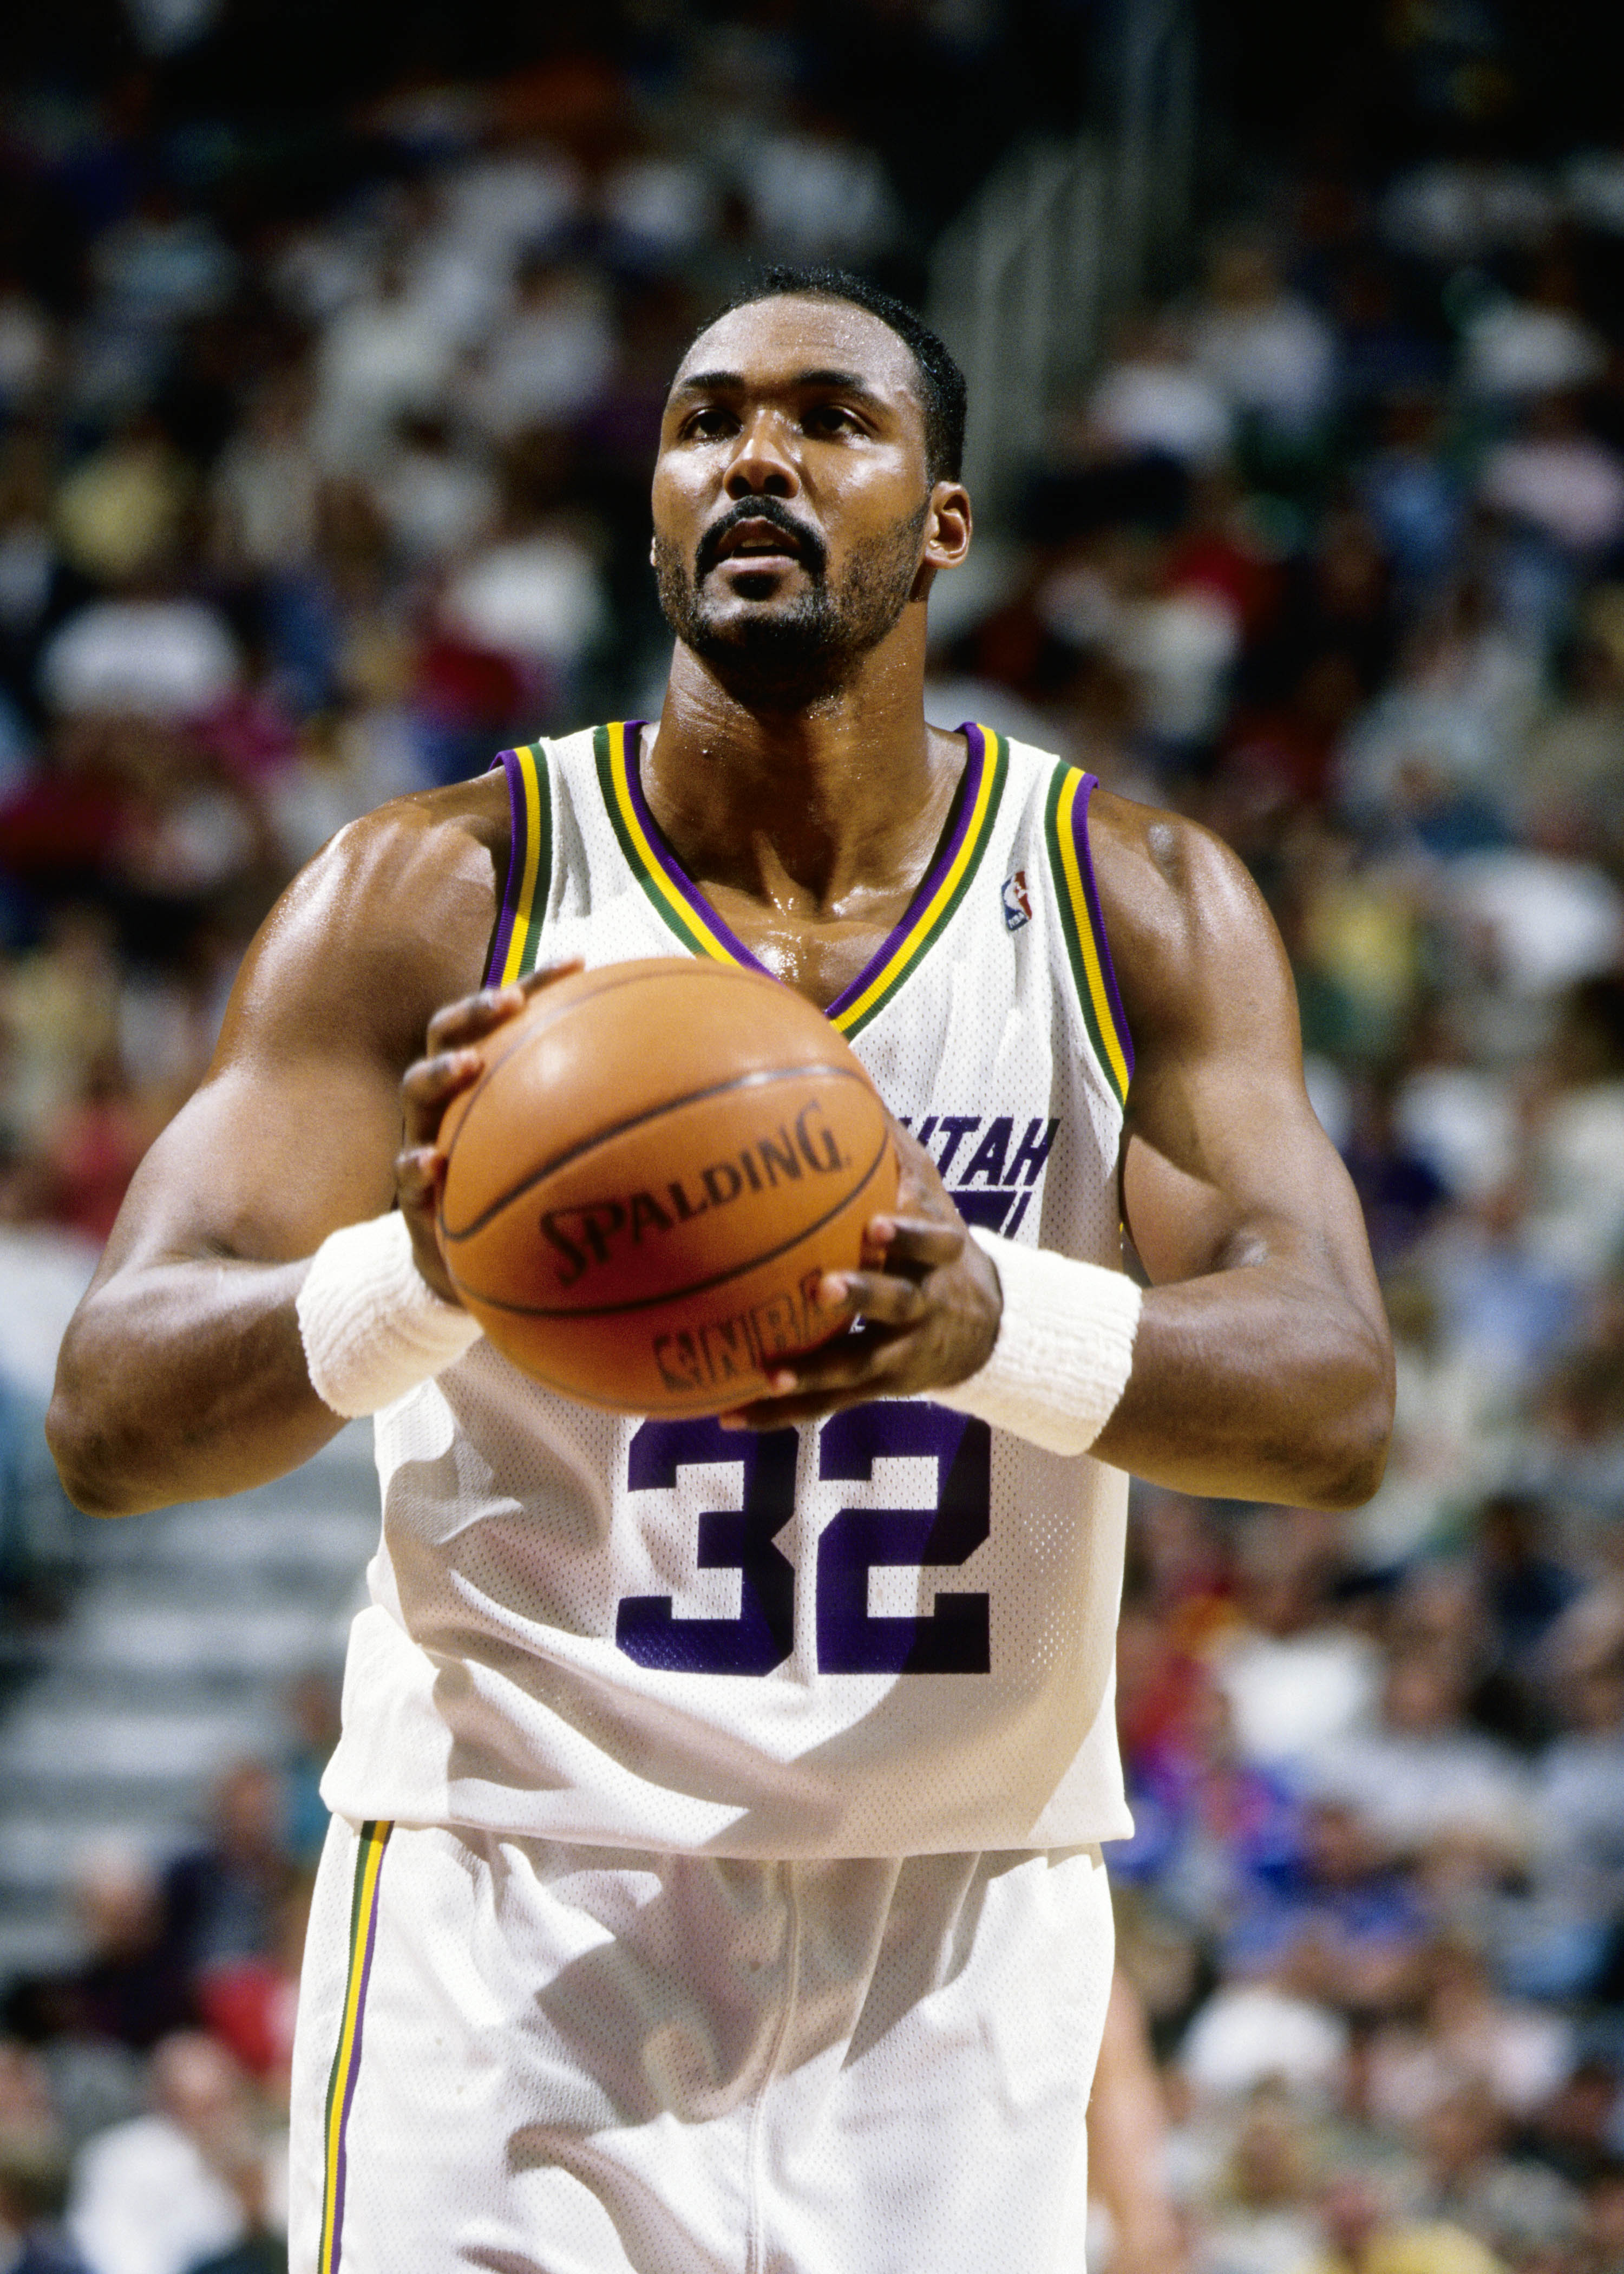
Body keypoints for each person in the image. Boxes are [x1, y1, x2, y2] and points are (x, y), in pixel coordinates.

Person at [47, 266, 1393, 2272]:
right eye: (705, 420)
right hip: (516, 1915)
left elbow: (1336, 1402)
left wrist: (986, 1320)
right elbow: (109, 1414)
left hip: (954, 1935)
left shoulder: (1134, 906)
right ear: (660, 509)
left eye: (830, 417)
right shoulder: (441, 892)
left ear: (944, 521)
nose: (756, 451)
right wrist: (425, 1269)